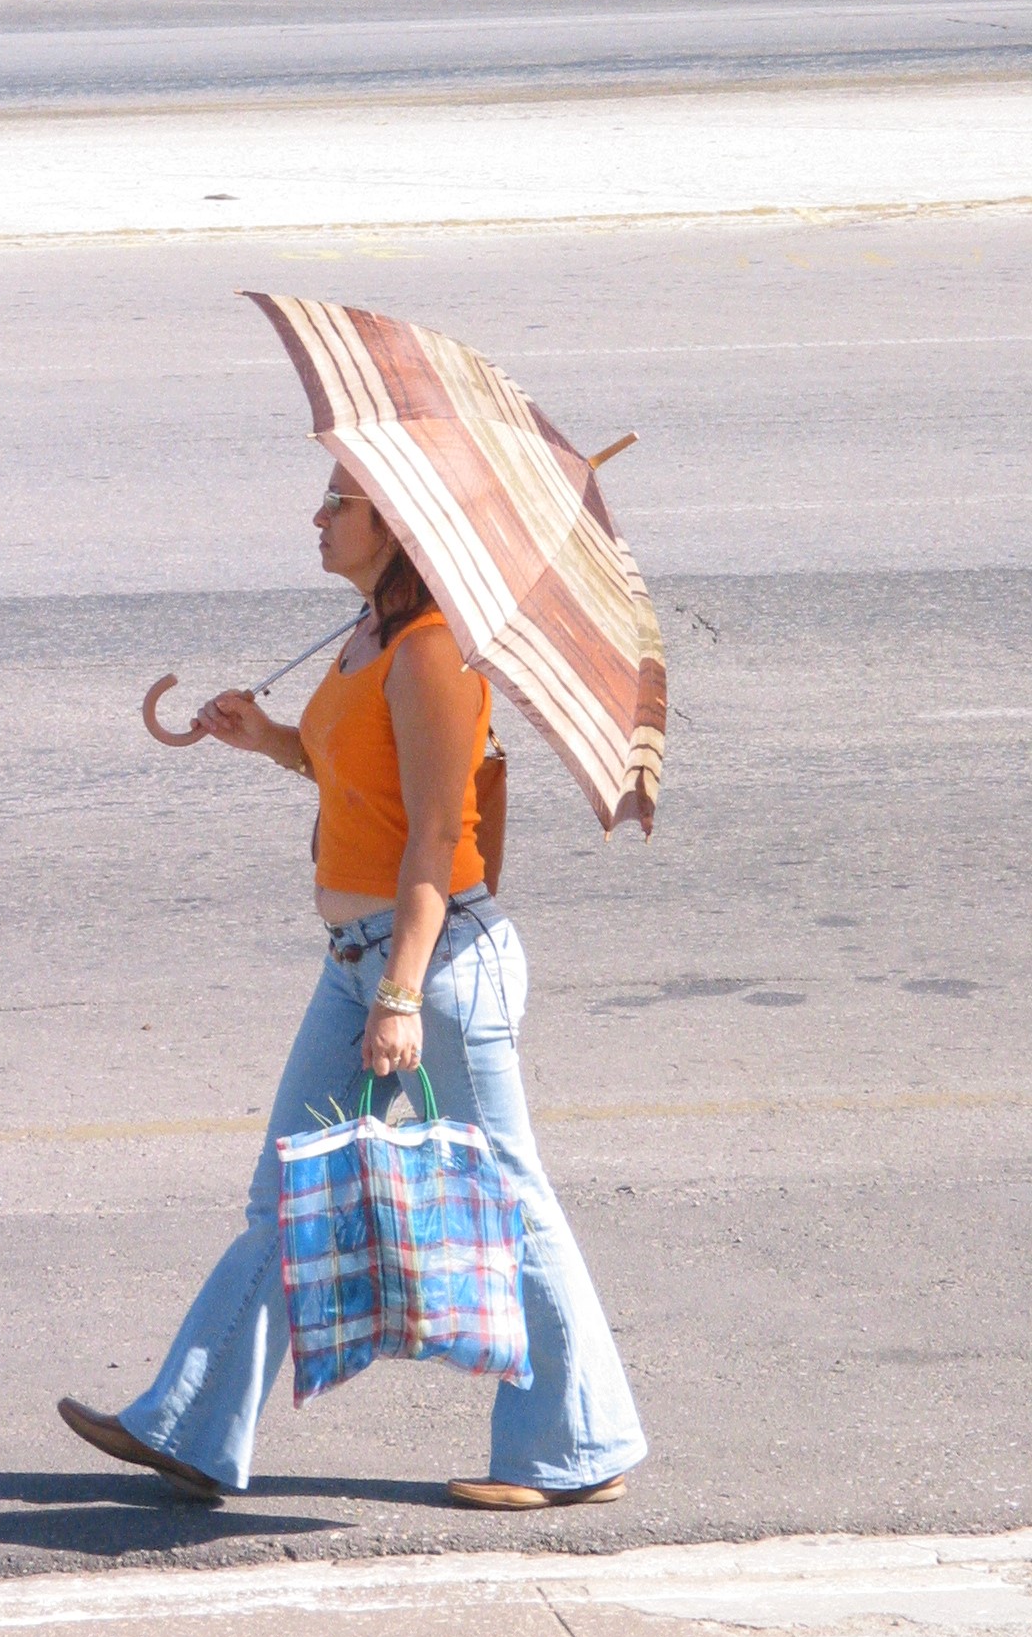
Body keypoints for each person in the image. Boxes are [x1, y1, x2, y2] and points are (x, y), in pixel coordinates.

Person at [59, 465, 648, 1508]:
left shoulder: (430, 657)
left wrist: (403, 995)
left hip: (437, 966)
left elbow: (433, 835)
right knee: (287, 1187)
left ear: (399, 523)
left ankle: (580, 1448)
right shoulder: (368, 638)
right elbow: (360, 787)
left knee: (508, 1197)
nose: (319, 515)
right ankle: (191, 1426)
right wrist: (270, 739)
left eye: (341, 501)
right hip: (361, 963)